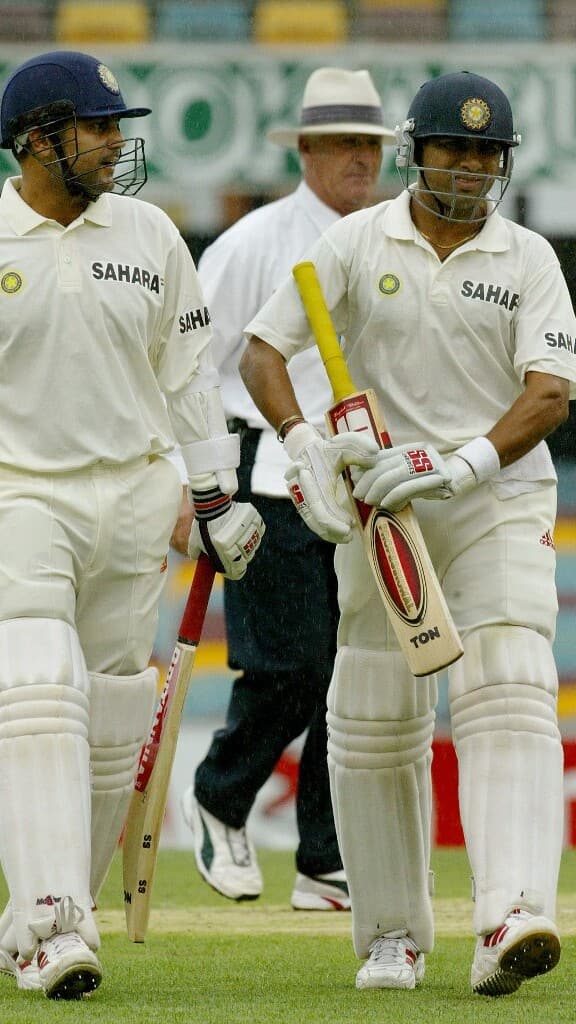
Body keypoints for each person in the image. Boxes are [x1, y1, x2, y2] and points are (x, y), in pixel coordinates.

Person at [238, 70, 576, 996]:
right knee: (374, 716)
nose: (469, 169)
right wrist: (304, 442)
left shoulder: (528, 260)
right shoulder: (355, 243)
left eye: (486, 154)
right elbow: (263, 354)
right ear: (414, 151)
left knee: (509, 680)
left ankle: (511, 912)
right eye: (452, 150)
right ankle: (393, 933)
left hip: (494, 498)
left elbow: (549, 394)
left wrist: (460, 462)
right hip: (383, 509)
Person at [0, 50, 263, 1000]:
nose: (118, 143)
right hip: (19, 491)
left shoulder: (150, 235)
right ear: (37, 140)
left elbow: (188, 376)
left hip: (135, 495)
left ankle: (45, 901)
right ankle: (49, 926)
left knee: (113, 712)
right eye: (99, 127)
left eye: (119, 126)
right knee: (36, 683)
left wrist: (215, 497)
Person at [177, 67, 395, 910]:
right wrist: (187, 483)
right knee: (292, 665)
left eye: (370, 144)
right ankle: (220, 794)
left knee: (351, 673)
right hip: (266, 470)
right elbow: (187, 363)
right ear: (303, 149)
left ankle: (323, 856)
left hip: (364, 477)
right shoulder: (255, 241)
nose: (358, 159)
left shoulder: (388, 242)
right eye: (343, 142)